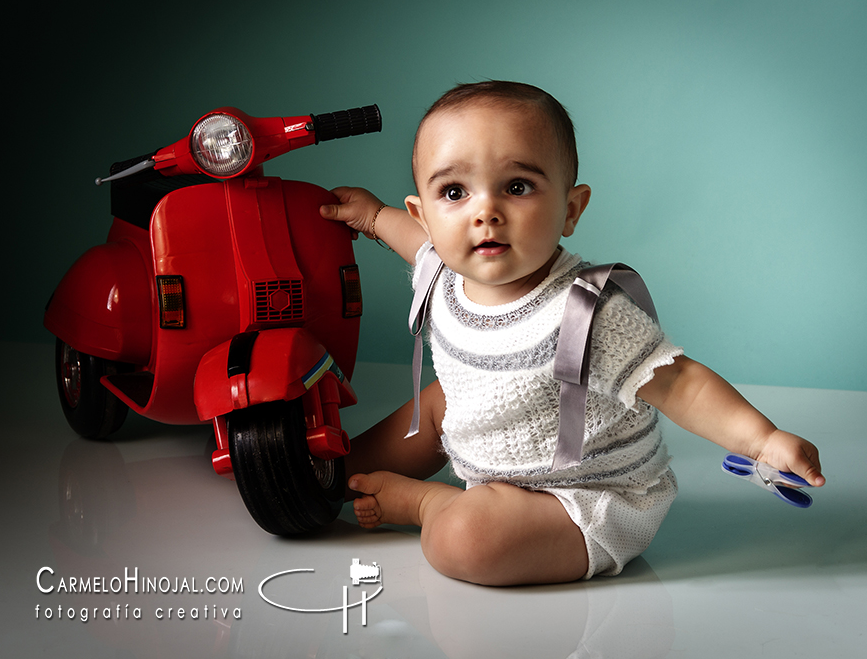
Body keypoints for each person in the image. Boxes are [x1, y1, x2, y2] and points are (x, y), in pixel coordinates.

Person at [319, 80, 825, 587]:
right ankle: (327, 474)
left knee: (467, 542)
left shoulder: (584, 311)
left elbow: (680, 383)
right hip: (492, 452)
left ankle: (427, 504)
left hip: (581, 498)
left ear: (570, 209)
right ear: (424, 214)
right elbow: (415, 245)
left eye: (517, 187)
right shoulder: (445, 273)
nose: (485, 211)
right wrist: (371, 216)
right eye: (454, 192)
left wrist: (763, 439)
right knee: (429, 409)